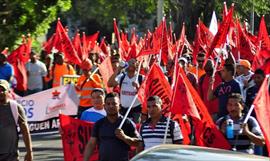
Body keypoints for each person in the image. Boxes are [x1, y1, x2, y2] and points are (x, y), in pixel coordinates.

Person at [83, 92, 140, 161]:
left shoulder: (127, 123)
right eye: (108, 104)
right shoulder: (99, 124)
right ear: (104, 106)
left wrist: (124, 137)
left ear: (119, 106)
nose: (111, 106)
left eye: (114, 104)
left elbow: (138, 143)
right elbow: (91, 144)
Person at [0, 79, 33, 161]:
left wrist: (29, 152)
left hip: (11, 156)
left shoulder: (15, 107)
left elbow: (25, 130)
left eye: (2, 90)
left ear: (9, 91)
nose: (0, 92)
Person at [108, 58, 144, 123]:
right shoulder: (122, 77)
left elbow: (145, 95)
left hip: (136, 111)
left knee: (134, 130)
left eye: (132, 63)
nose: (130, 64)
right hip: (123, 110)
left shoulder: (141, 78)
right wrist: (118, 69)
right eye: (129, 62)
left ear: (137, 65)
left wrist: (138, 87)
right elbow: (110, 84)